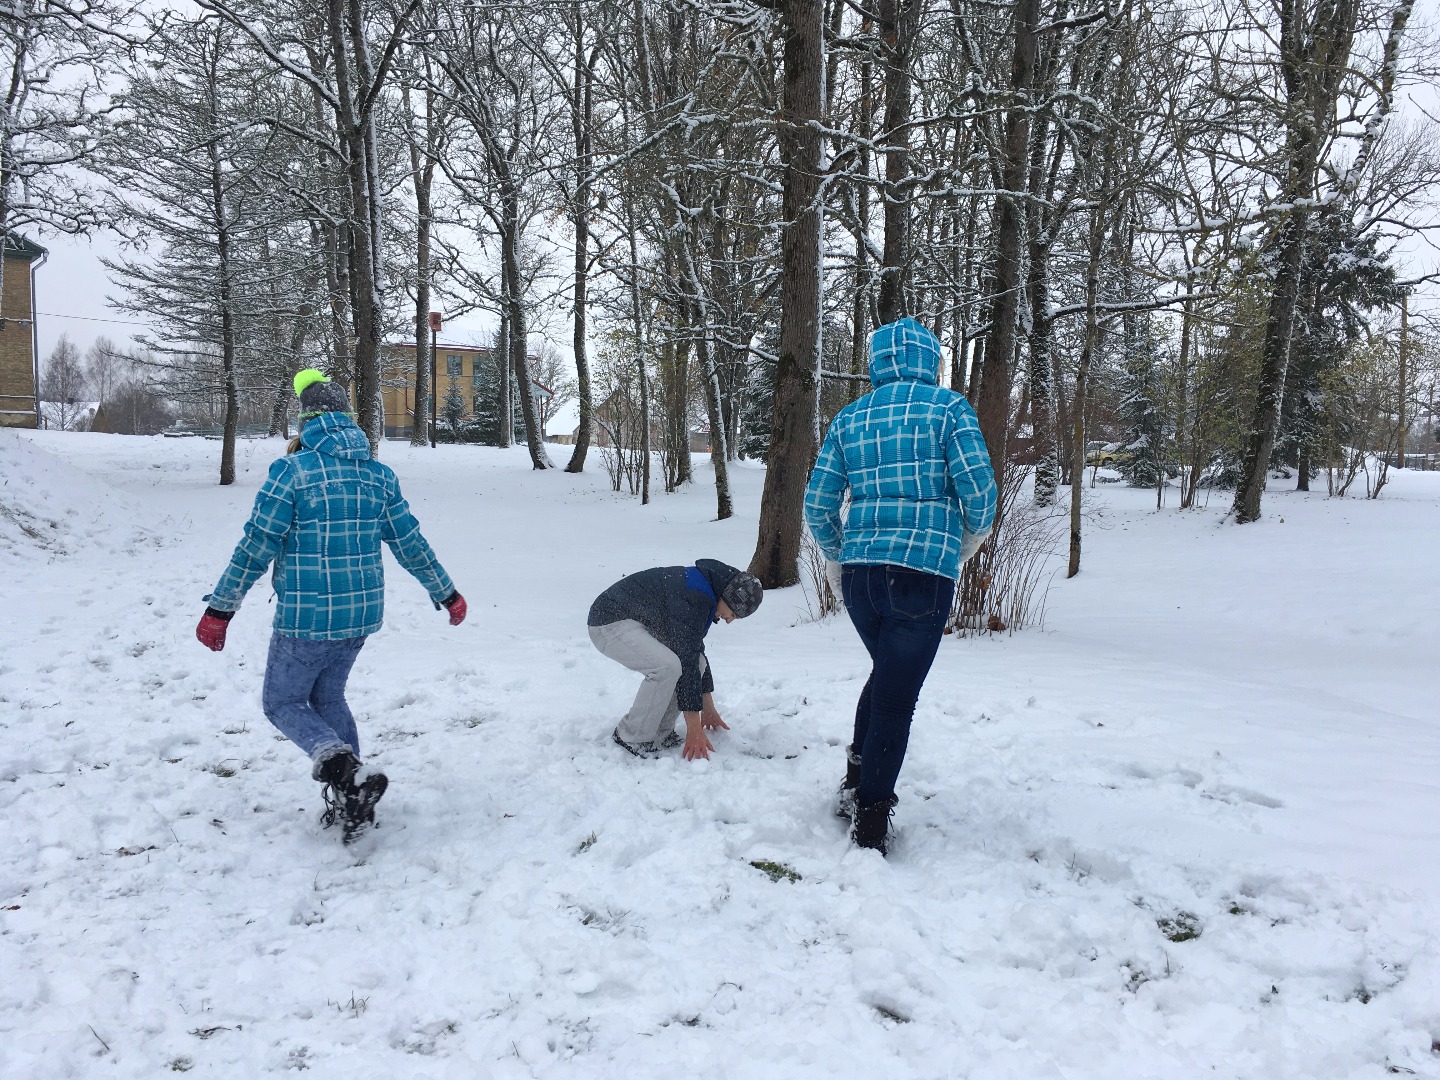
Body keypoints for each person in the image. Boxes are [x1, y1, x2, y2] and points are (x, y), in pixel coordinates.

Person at [195, 369, 466, 843]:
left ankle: (342, 769)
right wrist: (446, 591)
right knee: (327, 699)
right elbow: (409, 542)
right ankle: (353, 798)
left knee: (281, 701)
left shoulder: (292, 472)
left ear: (307, 420)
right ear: (347, 418)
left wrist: (220, 610)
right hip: (359, 616)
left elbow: (257, 545)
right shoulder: (377, 475)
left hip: (307, 617)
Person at [803, 318, 997, 855]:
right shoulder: (949, 409)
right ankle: (870, 817)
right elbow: (980, 494)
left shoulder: (850, 417)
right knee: (896, 698)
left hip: (862, 578)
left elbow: (817, 505)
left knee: (885, 678)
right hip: (922, 578)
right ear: (929, 360)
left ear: (878, 361)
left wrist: (843, 554)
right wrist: (961, 542)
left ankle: (855, 779)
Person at [588, 559, 763, 761]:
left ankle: (660, 732)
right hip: (608, 622)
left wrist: (708, 708)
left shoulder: (706, 591)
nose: (729, 620)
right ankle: (631, 735)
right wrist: (694, 728)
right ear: (728, 598)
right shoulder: (695, 594)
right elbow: (685, 659)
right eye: (734, 613)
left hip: (635, 622)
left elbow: (693, 652)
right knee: (667, 667)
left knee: (696, 662)